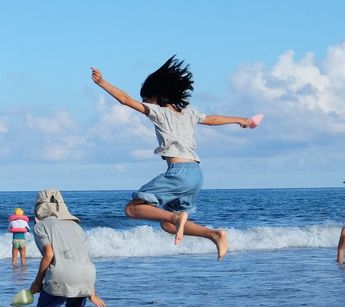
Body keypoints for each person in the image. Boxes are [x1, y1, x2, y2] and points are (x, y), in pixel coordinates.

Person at [91, 56, 256, 258]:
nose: (145, 104)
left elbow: (125, 100)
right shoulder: (189, 112)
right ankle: (214, 235)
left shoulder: (159, 112)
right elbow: (213, 120)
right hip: (196, 175)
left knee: (132, 209)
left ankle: (178, 218)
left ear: (156, 97)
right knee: (168, 225)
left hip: (178, 173)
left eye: (146, 100)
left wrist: (102, 83)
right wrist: (241, 120)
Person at [28, 189, 107, 307]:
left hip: (61, 276)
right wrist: (92, 292)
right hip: (86, 274)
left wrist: (37, 282)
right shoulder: (76, 227)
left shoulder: (41, 227)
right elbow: (86, 257)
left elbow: (48, 254)